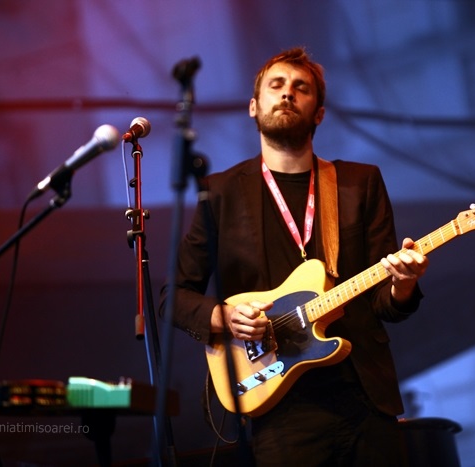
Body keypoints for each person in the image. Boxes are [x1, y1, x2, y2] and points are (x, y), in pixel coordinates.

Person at [164, 47, 429, 466]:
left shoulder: (359, 183)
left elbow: (384, 304)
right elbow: (173, 296)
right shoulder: (219, 194)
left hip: (363, 394)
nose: (287, 93)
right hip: (277, 404)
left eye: (301, 88)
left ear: (318, 113)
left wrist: (404, 283)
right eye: (277, 85)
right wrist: (224, 317)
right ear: (254, 106)